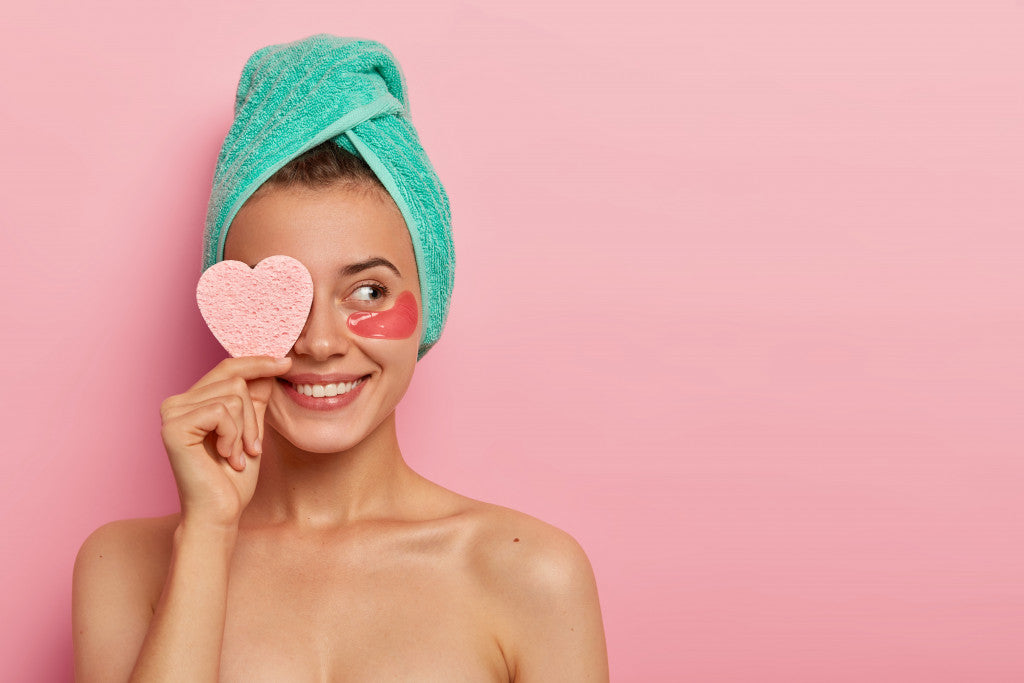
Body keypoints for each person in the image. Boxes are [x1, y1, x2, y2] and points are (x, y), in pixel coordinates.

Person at [71, 35, 609, 682]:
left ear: (429, 299)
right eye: (283, 295)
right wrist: (208, 535)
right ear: (233, 310)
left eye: (368, 291)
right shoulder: (124, 567)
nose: (321, 344)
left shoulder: (532, 575)